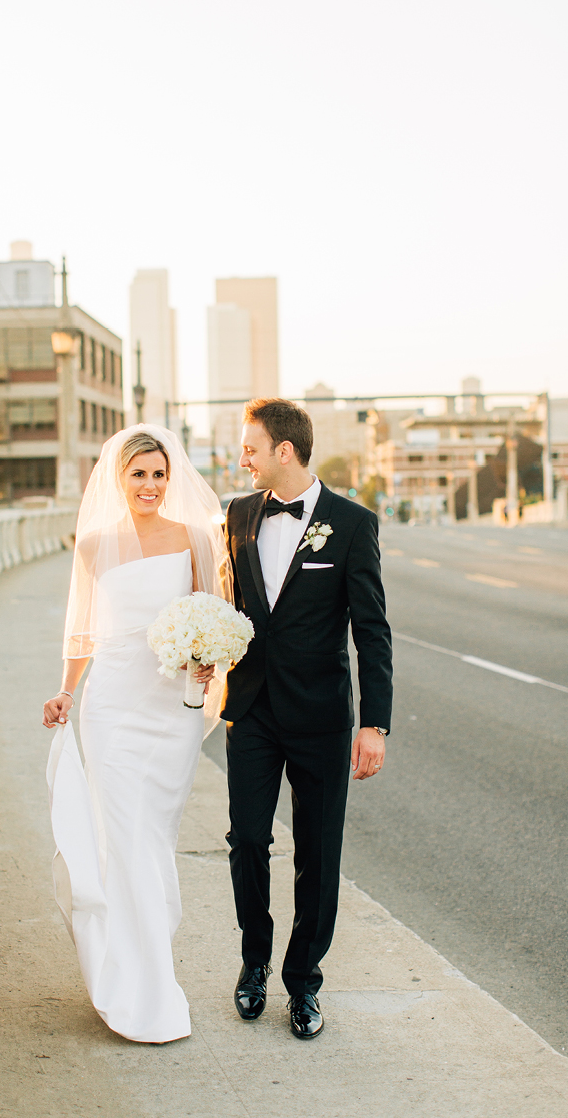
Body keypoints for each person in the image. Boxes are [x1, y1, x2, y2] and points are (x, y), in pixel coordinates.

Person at [43, 425, 227, 1043]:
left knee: (154, 837)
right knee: (122, 838)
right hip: (113, 705)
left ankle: (145, 949)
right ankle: (140, 979)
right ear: (119, 478)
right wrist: (67, 690)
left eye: (158, 474)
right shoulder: (94, 544)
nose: (150, 485)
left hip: (171, 709)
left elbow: (212, 611)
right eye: (139, 474)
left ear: (170, 479)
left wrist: (208, 658)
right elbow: (83, 629)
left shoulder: (194, 536)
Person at [222, 398, 393, 1039]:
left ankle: (303, 982)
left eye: (251, 448)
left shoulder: (351, 524)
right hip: (253, 710)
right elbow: (229, 602)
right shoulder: (236, 515)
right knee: (246, 842)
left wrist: (373, 724)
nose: (243, 458)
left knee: (318, 854)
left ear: (283, 452)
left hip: (321, 716)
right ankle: (253, 962)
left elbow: (372, 632)